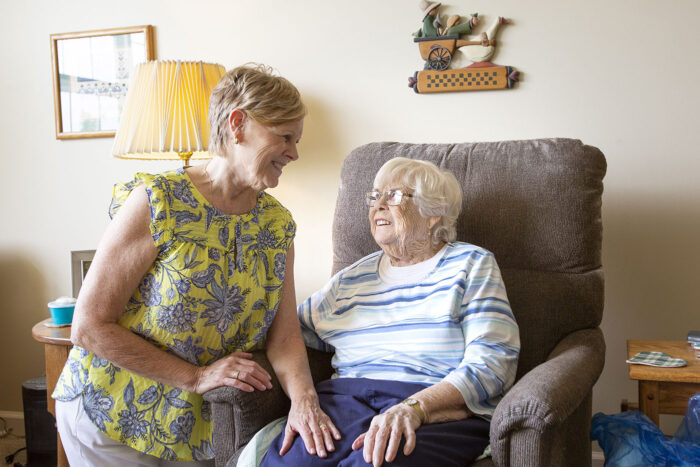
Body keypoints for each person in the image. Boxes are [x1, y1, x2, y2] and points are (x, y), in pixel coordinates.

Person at [52, 64, 339, 465]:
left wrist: (305, 401)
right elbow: (89, 326)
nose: (294, 152)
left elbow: (285, 337)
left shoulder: (276, 226)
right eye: (285, 137)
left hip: (193, 427)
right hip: (113, 410)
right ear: (237, 124)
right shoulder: (158, 201)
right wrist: (197, 377)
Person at [257, 157, 520, 466]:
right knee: (291, 462)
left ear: (433, 213)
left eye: (393, 196)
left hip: (433, 408)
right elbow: (287, 333)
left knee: (376, 462)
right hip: (344, 402)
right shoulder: (350, 280)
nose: (377, 205)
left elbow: (493, 361)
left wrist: (416, 407)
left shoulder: (471, 265)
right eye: (374, 196)